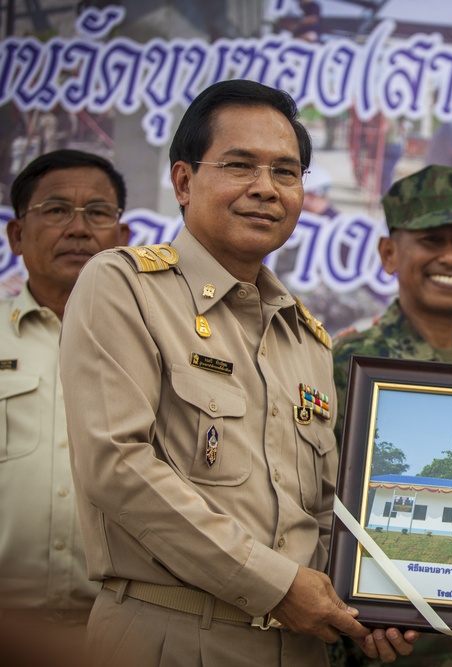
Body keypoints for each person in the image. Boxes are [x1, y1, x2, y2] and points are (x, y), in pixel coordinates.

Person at [59, 80, 416, 666]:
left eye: (286, 171)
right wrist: (275, 583)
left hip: (298, 647)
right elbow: (117, 466)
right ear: (183, 181)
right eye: (240, 165)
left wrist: (372, 603)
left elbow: (324, 512)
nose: (265, 189)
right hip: (168, 636)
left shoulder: (307, 338)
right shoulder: (123, 286)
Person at [331, 164, 452, 666]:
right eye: (432, 239)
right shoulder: (342, 366)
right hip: (391, 650)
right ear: (389, 254)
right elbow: (305, 510)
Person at [0, 150, 130, 666]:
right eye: (55, 210)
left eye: (98, 213)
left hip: (119, 631)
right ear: (16, 236)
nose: (79, 229)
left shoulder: (155, 346)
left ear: (122, 238)